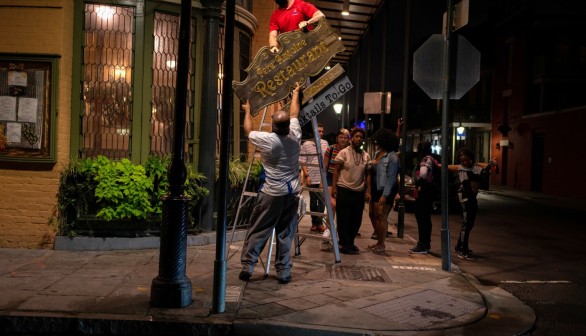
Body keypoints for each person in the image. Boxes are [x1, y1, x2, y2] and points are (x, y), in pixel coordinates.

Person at [239, 82, 302, 284]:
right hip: (291, 193)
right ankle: (283, 272)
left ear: (274, 126)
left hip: (271, 192)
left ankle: (248, 267)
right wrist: (295, 94)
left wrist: (248, 111)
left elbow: (248, 130)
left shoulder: (268, 140)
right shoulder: (296, 135)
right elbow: (294, 114)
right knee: (286, 233)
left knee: (259, 229)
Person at [448, 149, 498, 260]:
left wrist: (492, 163)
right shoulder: (460, 168)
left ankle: (459, 245)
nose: (465, 162)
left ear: (471, 158)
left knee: (470, 223)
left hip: (472, 197)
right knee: (466, 222)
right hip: (464, 196)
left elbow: (487, 165)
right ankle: (462, 250)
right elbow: (446, 166)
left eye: (467, 160)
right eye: (462, 161)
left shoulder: (476, 167)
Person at [331, 127, 371, 255]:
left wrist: (368, 191)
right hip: (344, 189)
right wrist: (334, 188)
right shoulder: (343, 153)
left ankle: (350, 242)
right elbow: (336, 171)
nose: (358, 139)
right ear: (351, 138)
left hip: (358, 191)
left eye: (361, 137)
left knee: (356, 219)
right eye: (356, 136)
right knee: (343, 218)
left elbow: (368, 174)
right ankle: (345, 243)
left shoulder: (366, 155)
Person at [367, 128, 400, 253]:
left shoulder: (392, 157)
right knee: (372, 214)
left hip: (385, 189)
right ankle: (379, 239)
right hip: (376, 188)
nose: (376, 142)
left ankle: (381, 243)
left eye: (378, 139)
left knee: (381, 215)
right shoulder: (377, 153)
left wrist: (385, 195)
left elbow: (392, 177)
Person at [409, 141, 441, 254]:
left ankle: (422, 244)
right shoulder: (433, 159)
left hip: (424, 192)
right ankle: (425, 243)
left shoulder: (425, 160)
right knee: (426, 218)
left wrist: (418, 182)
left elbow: (423, 174)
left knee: (421, 217)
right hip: (430, 192)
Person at [300, 123, 329, 233]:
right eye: (319, 131)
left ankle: (319, 223)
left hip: (322, 178)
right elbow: (303, 161)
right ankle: (314, 222)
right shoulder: (306, 144)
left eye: (322, 131)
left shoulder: (325, 143)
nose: (321, 133)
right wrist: (306, 176)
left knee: (322, 201)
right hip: (311, 176)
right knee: (313, 201)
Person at [323, 128, 350, 218]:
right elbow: (325, 166)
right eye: (340, 137)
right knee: (332, 205)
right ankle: (329, 229)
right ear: (337, 138)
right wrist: (321, 181)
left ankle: (341, 229)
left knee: (343, 207)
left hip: (345, 179)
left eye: (345, 137)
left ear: (348, 139)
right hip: (331, 178)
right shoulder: (330, 149)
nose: (342, 139)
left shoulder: (351, 150)